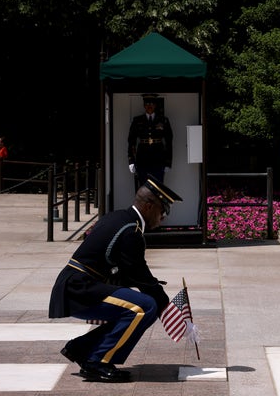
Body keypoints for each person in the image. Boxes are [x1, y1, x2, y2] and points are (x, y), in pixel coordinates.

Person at [48, 176, 182, 383]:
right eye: (163, 210)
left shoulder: (120, 218)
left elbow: (127, 273)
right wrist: (168, 307)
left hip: (78, 286)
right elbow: (140, 275)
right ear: (148, 206)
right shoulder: (131, 231)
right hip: (80, 289)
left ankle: (82, 348)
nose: (163, 216)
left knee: (140, 306)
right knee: (145, 306)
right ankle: (97, 362)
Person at [127, 94, 173, 188]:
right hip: (142, 157)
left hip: (158, 157)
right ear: (144, 105)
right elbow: (131, 141)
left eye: (152, 103)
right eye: (147, 103)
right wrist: (131, 160)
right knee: (143, 186)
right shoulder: (137, 120)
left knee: (158, 187)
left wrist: (168, 162)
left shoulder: (163, 120)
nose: (149, 106)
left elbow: (169, 142)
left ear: (155, 105)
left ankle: (157, 203)